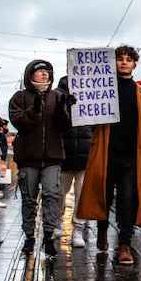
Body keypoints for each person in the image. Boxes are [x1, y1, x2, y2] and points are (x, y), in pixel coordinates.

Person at [77, 45, 141, 265]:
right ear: (114, 62)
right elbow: (87, 114)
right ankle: (102, 230)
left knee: (128, 200)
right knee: (104, 195)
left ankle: (125, 244)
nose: (124, 62)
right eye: (120, 58)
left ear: (134, 65)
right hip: (106, 152)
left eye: (128, 59)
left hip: (131, 156)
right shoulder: (102, 89)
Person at [9, 60, 72, 257]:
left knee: (52, 196)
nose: (44, 75)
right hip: (29, 157)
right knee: (29, 199)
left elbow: (65, 126)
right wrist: (34, 110)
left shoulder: (57, 97)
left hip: (52, 157)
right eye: (40, 72)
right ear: (31, 75)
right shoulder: (20, 97)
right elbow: (19, 121)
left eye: (47, 72)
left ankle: (49, 237)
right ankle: (29, 237)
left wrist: (63, 111)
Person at [54, 75, 92, 248]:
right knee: (59, 193)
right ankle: (57, 221)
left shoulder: (91, 96)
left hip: (85, 156)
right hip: (64, 156)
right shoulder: (57, 96)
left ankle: (78, 227)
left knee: (82, 195)